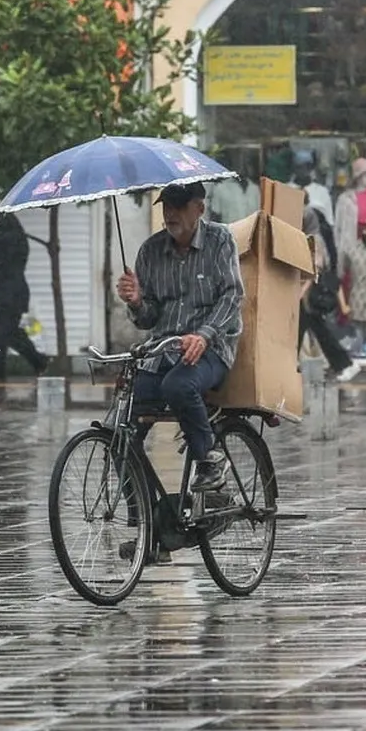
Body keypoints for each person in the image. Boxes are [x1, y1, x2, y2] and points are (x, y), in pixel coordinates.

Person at [116, 182, 244, 496]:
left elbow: (232, 296)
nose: (170, 213)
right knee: (120, 432)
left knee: (178, 385)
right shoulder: (150, 251)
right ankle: (147, 524)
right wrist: (135, 301)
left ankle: (209, 459)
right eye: (166, 206)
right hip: (162, 351)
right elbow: (149, 317)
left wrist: (203, 335)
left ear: (199, 208)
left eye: (179, 205)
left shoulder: (220, 240)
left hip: (211, 349)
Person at [0, 209, 49, 383]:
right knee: (9, 333)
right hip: (3, 293)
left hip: (12, 293)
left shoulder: (13, 238)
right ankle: (40, 362)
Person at [299, 191, 360, 382]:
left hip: (309, 294)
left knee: (318, 330)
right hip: (305, 295)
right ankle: (343, 364)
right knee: (311, 329)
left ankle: (345, 364)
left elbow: (315, 267)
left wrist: (302, 292)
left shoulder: (313, 237)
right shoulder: (308, 234)